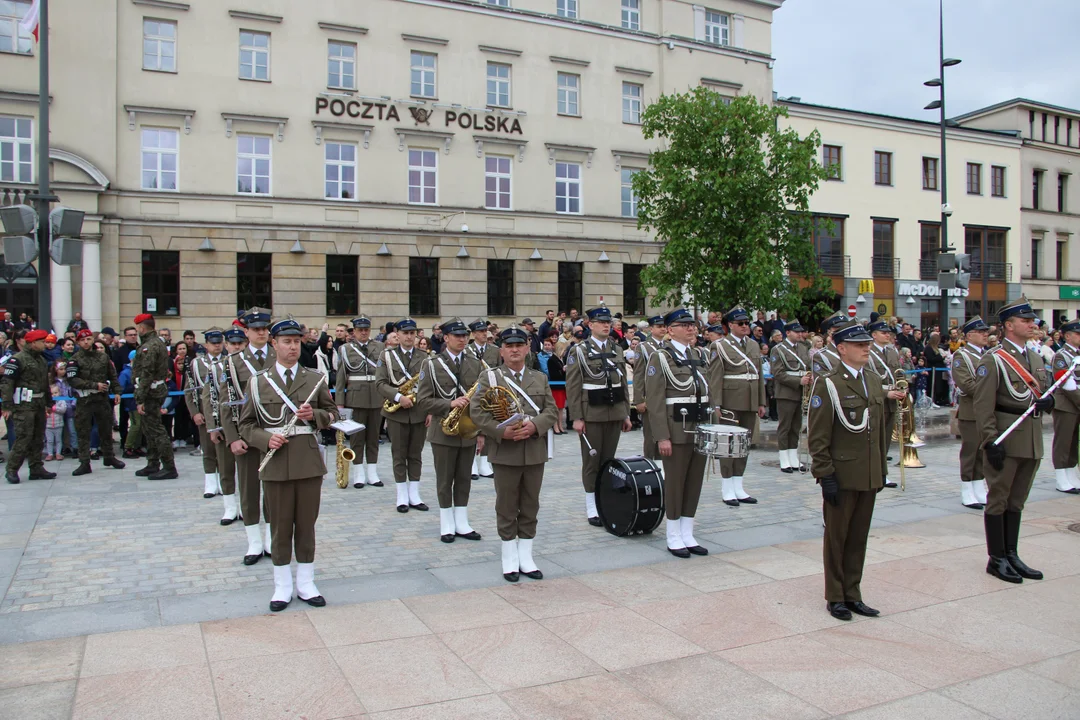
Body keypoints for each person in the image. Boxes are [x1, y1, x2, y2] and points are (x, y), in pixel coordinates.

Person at [238, 318, 338, 612]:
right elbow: (245, 425)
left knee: (306, 525)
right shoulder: (257, 381)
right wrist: (264, 439)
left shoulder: (314, 378)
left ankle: (306, 583)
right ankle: (282, 585)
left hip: (308, 461)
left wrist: (314, 416)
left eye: (296, 342)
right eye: (286, 342)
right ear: (274, 344)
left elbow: (332, 414)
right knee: (279, 527)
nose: (293, 347)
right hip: (276, 462)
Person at [807, 321, 887, 621]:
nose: (866, 348)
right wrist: (825, 473)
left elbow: (878, 430)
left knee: (858, 537)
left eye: (867, 343)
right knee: (837, 537)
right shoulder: (828, 383)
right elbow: (817, 435)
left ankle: (854, 593)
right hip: (841, 474)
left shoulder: (874, 380)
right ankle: (836, 595)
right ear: (842, 348)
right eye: (859, 344)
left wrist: (880, 470)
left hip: (868, 473)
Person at [469, 324, 558, 582]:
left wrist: (534, 426)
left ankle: (526, 556)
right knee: (507, 504)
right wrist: (500, 433)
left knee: (530, 503)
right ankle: (509, 557)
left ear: (528, 348)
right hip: (505, 451)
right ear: (502, 351)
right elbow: (477, 412)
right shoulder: (490, 378)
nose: (515, 350)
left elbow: (551, 411)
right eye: (509, 346)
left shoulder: (538, 378)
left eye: (519, 345)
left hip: (533, 450)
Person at [975, 296, 1053, 585]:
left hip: (1030, 438)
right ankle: (996, 558)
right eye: (1026, 320)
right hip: (1006, 438)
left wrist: (1049, 402)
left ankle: (1011, 553)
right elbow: (984, 405)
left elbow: (1039, 393)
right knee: (998, 499)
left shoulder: (1034, 357)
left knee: (1017, 500)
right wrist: (990, 441)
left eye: (1032, 320)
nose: (1032, 324)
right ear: (1009, 326)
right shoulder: (993, 359)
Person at [644, 309, 711, 557]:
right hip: (676, 429)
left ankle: (688, 533)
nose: (691, 328)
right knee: (675, 483)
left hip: (699, 429)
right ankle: (673, 534)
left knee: (694, 483)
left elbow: (707, 393)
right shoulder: (661, 358)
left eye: (691, 324)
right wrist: (662, 436)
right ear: (670, 330)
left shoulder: (698, 355)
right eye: (684, 325)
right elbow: (655, 401)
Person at [416, 318, 484, 543]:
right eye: (457, 336)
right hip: (443, 430)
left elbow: (482, 398)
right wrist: (448, 404)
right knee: (445, 479)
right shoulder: (431, 364)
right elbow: (423, 400)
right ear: (446, 338)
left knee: (464, 477)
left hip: (468, 431)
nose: (463, 339)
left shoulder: (475, 363)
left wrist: (481, 430)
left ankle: (462, 521)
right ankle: (446, 523)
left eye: (465, 335)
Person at [566, 306, 632, 526]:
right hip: (591, 413)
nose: (606, 325)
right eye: (601, 322)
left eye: (608, 322)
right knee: (592, 461)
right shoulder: (580, 350)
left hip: (614, 411)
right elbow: (573, 386)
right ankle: (591, 505)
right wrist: (576, 417)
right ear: (590, 325)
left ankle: (604, 501)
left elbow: (621, 382)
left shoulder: (616, 348)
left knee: (608, 460)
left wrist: (625, 413)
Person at [222, 307, 276, 563]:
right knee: (249, 488)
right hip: (245, 433)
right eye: (256, 329)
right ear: (246, 332)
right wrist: (232, 437)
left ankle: (270, 539)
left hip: (275, 433)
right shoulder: (233, 362)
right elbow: (226, 402)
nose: (262, 333)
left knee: (275, 488)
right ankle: (254, 541)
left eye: (265, 328)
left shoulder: (279, 356)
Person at [707, 307, 765, 506]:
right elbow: (715, 377)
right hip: (730, 401)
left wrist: (761, 401)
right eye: (740, 323)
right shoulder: (720, 346)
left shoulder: (753, 346)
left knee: (744, 444)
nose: (745, 327)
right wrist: (716, 404)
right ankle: (727, 487)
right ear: (730, 325)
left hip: (750, 400)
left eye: (747, 323)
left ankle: (738, 485)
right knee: (728, 444)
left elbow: (759, 376)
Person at [375, 318, 430, 512]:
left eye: (412, 333)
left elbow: (431, 386)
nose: (409, 337)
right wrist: (398, 397)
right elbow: (380, 383)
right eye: (405, 333)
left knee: (416, 454)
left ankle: (414, 494)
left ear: (416, 335)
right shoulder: (386, 355)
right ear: (396, 335)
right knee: (399, 454)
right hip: (396, 412)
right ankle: (401, 495)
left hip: (419, 411)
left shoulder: (425, 357)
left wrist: (430, 410)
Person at [335, 316, 386, 488]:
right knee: (357, 437)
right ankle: (358, 472)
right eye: (360, 330)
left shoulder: (379, 347)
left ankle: (372, 472)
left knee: (373, 436)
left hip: (376, 396)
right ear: (354, 331)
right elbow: (341, 378)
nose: (363, 332)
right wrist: (339, 403)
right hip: (356, 398)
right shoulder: (345, 349)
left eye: (366, 329)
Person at [2, 329, 56, 484]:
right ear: (33, 343)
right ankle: (12, 469)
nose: (45, 344)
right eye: (41, 342)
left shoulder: (41, 360)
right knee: (24, 438)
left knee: (38, 437)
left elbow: (44, 384)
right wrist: (7, 406)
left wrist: (48, 402)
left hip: (38, 404)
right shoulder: (17, 359)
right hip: (23, 405)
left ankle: (36, 467)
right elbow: (7, 383)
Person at [67, 328, 124, 476]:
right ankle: (84, 462)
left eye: (88, 339)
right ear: (78, 342)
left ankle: (109, 457)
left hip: (101, 399)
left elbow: (112, 375)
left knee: (106, 429)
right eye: (83, 340)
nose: (86, 342)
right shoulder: (75, 359)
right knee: (83, 431)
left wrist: (117, 391)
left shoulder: (103, 357)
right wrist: (93, 385)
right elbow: (73, 380)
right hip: (85, 400)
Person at [131, 314, 177, 480]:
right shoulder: (154, 343)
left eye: (138, 328)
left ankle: (169, 466)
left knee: (156, 430)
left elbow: (147, 374)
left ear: (142, 328)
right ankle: (153, 463)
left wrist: (140, 399)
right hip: (152, 391)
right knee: (149, 429)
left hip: (150, 393)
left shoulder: (150, 346)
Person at [952, 317, 991, 508]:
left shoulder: (987, 355)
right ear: (969, 335)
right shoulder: (962, 356)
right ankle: (967, 489)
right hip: (970, 411)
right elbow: (966, 384)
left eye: (986, 332)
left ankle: (978, 486)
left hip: (985, 411)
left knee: (983, 452)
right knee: (970, 451)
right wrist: (991, 392)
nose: (986, 335)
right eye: (981, 332)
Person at [185, 328, 225, 500]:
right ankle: (210, 480)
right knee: (208, 448)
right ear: (206, 345)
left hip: (224, 411)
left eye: (219, 343)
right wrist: (195, 412)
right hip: (205, 410)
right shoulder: (197, 363)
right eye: (213, 343)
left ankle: (224, 480)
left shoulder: (228, 361)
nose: (217, 346)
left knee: (224, 449)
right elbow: (190, 389)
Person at [866, 321, 906, 489]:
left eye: (888, 332)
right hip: (878, 400)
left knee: (887, 439)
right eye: (883, 333)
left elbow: (897, 374)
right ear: (874, 335)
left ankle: (883, 473)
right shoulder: (868, 352)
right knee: (876, 440)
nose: (887, 335)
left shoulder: (892, 352)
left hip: (892, 401)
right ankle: (874, 473)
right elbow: (867, 380)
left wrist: (902, 387)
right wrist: (885, 393)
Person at [770, 320, 811, 473]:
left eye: (801, 332)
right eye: (797, 332)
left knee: (796, 427)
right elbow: (778, 373)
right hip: (786, 392)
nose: (800, 334)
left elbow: (806, 366)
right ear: (788, 333)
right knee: (785, 426)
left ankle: (793, 456)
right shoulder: (778, 349)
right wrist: (798, 380)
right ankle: (784, 458)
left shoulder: (802, 347)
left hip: (801, 391)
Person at [467, 319, 500, 478]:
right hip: (472, 393)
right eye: (479, 332)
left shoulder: (494, 350)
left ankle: (485, 462)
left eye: (484, 331)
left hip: (490, 393)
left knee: (488, 425)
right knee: (472, 426)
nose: (483, 334)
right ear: (473, 334)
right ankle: (472, 462)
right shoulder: (467, 350)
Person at [1050, 320, 1080, 494]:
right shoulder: (1062, 356)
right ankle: (1062, 477)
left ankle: (1071, 473)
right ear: (1067, 336)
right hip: (1066, 404)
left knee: (1074, 441)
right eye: (1077, 334)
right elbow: (1065, 383)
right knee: (1063, 441)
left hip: (1076, 404)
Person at [812, 312, 845, 377]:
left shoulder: (855, 351)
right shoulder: (821, 356)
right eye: (837, 328)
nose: (842, 331)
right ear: (829, 332)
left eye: (844, 327)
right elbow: (821, 381)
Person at [923, 332, 950, 408]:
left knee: (937, 386)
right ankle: (930, 400)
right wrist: (941, 357)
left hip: (938, 370)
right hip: (932, 370)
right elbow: (931, 358)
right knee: (932, 385)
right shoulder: (928, 348)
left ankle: (934, 400)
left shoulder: (935, 348)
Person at [44, 380, 66, 461]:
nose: (54, 395)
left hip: (58, 425)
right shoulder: (46, 402)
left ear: (59, 392)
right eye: (51, 393)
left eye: (56, 392)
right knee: (49, 441)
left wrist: (54, 408)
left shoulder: (61, 401)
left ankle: (58, 453)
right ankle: (50, 454)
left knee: (58, 440)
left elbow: (63, 410)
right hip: (48, 426)